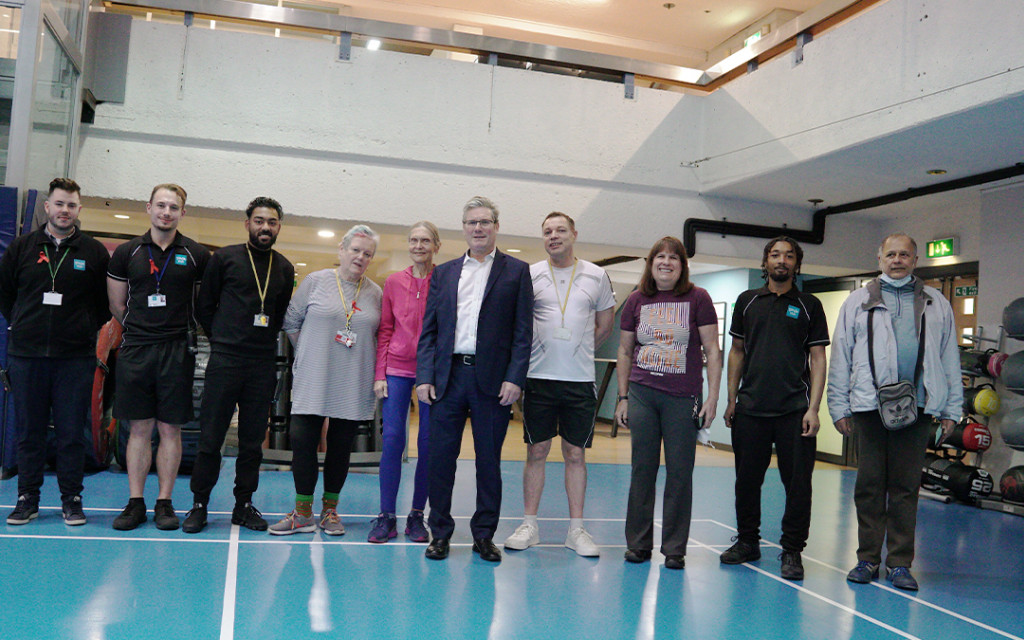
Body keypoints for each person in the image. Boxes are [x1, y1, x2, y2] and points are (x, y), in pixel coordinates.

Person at [827, 233, 961, 591]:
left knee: (905, 487)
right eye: (891, 254)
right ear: (880, 257)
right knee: (870, 485)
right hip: (870, 407)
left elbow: (949, 358)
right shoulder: (858, 301)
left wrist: (952, 409)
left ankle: (900, 564)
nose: (897, 260)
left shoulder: (937, 303)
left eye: (905, 254)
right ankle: (868, 559)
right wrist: (838, 405)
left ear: (915, 260)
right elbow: (841, 355)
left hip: (917, 407)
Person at [416, 196, 533, 562]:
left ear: (496, 226)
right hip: (448, 379)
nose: (478, 229)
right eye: (471, 223)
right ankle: (441, 533)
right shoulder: (445, 272)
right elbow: (429, 331)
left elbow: (523, 333)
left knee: (488, 462)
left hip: (493, 383)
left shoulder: (516, 271)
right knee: (440, 460)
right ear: (464, 228)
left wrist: (515, 378)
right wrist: (425, 376)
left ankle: (484, 535)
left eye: (484, 222)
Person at [503, 212, 615, 557]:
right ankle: (529, 525)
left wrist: (574, 352)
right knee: (536, 451)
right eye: (548, 231)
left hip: (579, 381)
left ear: (574, 234)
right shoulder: (530, 274)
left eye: (560, 230)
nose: (554, 236)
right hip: (538, 378)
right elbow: (519, 324)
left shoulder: (596, 276)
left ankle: (576, 531)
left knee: (575, 453)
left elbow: (605, 326)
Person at [0, 178, 110, 526]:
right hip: (26, 356)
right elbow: (5, 295)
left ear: (79, 210)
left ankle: (71, 500)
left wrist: (78, 329)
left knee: (70, 431)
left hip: (74, 359)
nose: (65, 211)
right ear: (47, 207)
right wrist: (24, 321)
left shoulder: (92, 252)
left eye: (72, 205)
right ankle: (27, 497)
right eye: (59, 204)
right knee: (28, 431)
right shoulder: (21, 247)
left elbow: (104, 307)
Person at [183, 197, 295, 533]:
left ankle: (243, 505)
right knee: (210, 437)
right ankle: (199, 504)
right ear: (247, 223)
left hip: (261, 364)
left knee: (250, 442)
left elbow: (278, 315)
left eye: (272, 222)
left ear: (278, 227)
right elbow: (204, 306)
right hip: (225, 360)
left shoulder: (285, 268)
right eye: (259, 220)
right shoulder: (225, 259)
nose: (265, 227)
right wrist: (221, 338)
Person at [720, 236, 829, 580]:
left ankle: (792, 551)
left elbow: (818, 358)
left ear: (797, 264)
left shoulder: (810, 304)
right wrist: (731, 398)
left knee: (798, 484)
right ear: (765, 261)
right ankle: (748, 542)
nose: (781, 260)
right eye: (775, 254)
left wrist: (813, 409)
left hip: (794, 411)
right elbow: (736, 351)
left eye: (789, 256)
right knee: (746, 481)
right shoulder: (747, 301)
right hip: (750, 409)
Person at [614, 236, 721, 570]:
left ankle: (675, 548)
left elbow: (713, 351)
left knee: (679, 474)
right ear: (651, 263)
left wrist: (713, 398)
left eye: (673, 258)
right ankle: (638, 544)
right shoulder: (635, 300)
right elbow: (625, 351)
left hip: (682, 398)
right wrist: (622, 397)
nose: (666, 262)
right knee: (642, 471)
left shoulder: (698, 298)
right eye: (659, 256)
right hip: (643, 394)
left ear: (682, 266)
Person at [107, 184, 209, 531]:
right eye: (161, 205)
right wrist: (141, 329)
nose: (167, 212)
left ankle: (164, 502)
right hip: (136, 349)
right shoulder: (127, 252)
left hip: (177, 349)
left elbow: (202, 302)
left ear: (183, 212)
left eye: (174, 207)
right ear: (148, 208)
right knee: (139, 428)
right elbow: (116, 305)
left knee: (170, 429)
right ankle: (136, 502)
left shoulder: (196, 254)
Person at [270, 224, 382, 536]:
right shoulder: (316, 281)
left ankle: (330, 511)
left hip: (353, 379)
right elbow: (291, 320)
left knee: (341, 445)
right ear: (342, 251)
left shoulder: (375, 293)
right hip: (314, 376)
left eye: (367, 254)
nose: (360, 257)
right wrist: (309, 351)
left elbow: (378, 335)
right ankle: (302, 512)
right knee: (303, 440)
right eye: (355, 250)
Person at [368, 222, 440, 543]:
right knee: (393, 440)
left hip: (432, 373)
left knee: (427, 445)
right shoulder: (394, 282)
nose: (419, 245)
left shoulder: (445, 280)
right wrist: (379, 374)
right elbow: (385, 330)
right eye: (414, 240)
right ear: (408, 245)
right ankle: (386, 516)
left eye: (425, 240)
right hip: (396, 369)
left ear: (435, 245)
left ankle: (416, 516)